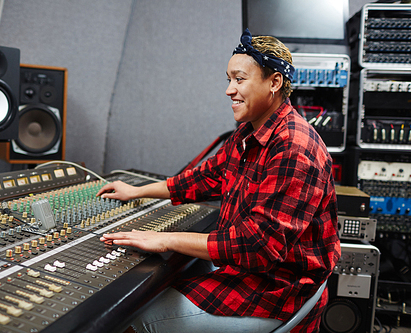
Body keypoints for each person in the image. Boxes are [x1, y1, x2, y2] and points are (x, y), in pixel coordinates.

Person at [97, 29, 341, 333]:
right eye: (228, 79)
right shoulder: (248, 132)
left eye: (240, 79)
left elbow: (258, 245)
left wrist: (166, 238)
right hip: (254, 273)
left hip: (277, 289)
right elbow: (202, 178)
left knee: (136, 316)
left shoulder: (294, 147)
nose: (229, 90)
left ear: (274, 83)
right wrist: (136, 191)